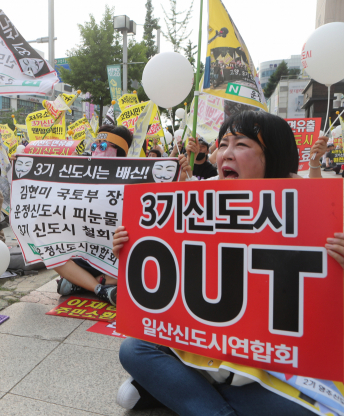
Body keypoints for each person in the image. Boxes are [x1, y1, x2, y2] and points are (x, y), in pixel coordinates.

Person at [112, 110, 340, 415]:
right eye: (223, 143)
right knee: (133, 349)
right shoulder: (194, 205)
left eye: (241, 145)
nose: (225, 154)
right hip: (203, 353)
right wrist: (129, 249)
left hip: (271, 368)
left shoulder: (313, 215)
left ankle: (178, 394)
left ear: (273, 156)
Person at [53, 125, 134, 306]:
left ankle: (80, 283)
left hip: (116, 255)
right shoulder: (82, 174)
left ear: (119, 151)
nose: (97, 150)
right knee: (50, 254)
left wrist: (183, 174)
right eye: (95, 145)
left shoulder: (135, 179)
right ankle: (100, 288)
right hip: (84, 254)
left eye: (104, 146)